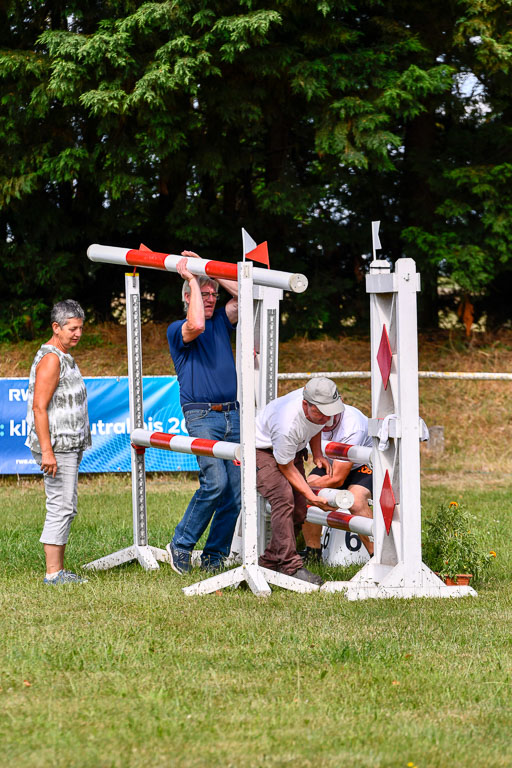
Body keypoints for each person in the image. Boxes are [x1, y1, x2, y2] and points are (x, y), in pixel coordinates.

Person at [166, 250, 241, 574]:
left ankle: (214, 556)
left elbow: (247, 293)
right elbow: (196, 323)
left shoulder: (223, 320)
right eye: (203, 294)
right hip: (202, 416)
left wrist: (207, 267)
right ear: (188, 296)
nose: (210, 299)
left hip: (232, 415)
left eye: (214, 294)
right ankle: (181, 545)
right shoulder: (177, 328)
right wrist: (193, 279)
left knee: (236, 493)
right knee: (215, 483)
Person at [25, 300, 91, 585]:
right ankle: (53, 574)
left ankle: (59, 570)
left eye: (80, 328)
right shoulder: (52, 359)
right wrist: (48, 453)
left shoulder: (65, 355)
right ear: (56, 327)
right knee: (60, 506)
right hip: (57, 447)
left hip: (69, 444)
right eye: (72, 328)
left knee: (67, 504)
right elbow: (40, 407)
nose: (77, 333)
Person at [254, 377, 344, 586]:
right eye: (320, 412)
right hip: (264, 451)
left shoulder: (324, 408)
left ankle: (268, 563)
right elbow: (285, 466)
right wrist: (312, 495)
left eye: (329, 411)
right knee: (284, 499)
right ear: (306, 404)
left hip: (291, 450)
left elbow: (316, 427)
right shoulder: (285, 421)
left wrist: (318, 453)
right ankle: (290, 566)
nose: (326, 417)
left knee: (299, 510)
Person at [303, 399, 374, 559]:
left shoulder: (352, 425)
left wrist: (303, 487)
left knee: (356, 501)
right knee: (307, 495)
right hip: (331, 462)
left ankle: (376, 556)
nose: (323, 421)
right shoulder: (308, 415)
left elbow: (337, 479)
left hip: (362, 466)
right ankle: (312, 553)